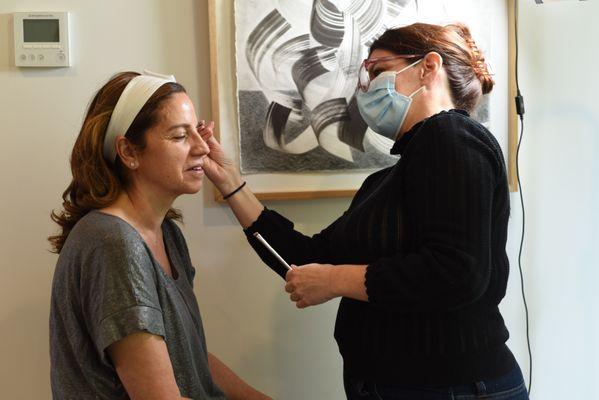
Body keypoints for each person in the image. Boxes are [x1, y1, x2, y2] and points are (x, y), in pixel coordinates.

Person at [200, 23, 529, 399]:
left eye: (376, 70)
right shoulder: (386, 182)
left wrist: (336, 280)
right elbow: (307, 260)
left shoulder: (451, 136)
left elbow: (456, 272)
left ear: (428, 67)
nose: (365, 87)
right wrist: (229, 182)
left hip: (450, 386)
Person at [48, 71, 271, 400]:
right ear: (128, 151)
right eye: (181, 136)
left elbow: (189, 358)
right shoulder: (113, 243)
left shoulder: (167, 234)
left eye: (199, 131)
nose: (202, 148)